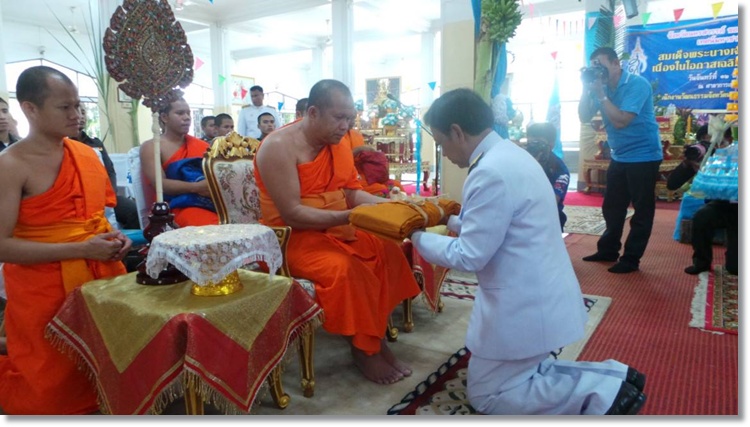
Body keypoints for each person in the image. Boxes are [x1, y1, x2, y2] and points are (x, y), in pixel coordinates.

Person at [410, 88, 647, 415]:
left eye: (440, 143)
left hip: (525, 306)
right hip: (543, 294)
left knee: (487, 396)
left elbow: (469, 255)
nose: (444, 153)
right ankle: (614, 376)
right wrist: (446, 218)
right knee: (522, 375)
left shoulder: (489, 171)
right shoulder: (509, 154)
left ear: (457, 132)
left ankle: (603, 393)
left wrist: (415, 235)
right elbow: (496, 226)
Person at [253, 79, 421, 385]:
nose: (345, 127)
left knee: (388, 249)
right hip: (291, 238)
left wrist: (394, 206)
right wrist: (352, 217)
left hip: (337, 226)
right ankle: (365, 350)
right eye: (339, 118)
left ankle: (374, 337)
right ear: (313, 112)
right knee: (346, 269)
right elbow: (292, 214)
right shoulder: (278, 147)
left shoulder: (338, 143)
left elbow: (352, 193)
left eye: (350, 119)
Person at [0, 65, 131, 414]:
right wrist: (81, 249)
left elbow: (96, 221)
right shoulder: (11, 165)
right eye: (64, 107)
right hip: (41, 288)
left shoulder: (86, 154)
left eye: (78, 105)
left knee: (110, 369)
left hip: (99, 277)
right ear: (30, 109)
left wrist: (115, 239)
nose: (77, 115)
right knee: (50, 393)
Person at [578, 46, 663, 274]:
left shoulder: (637, 84)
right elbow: (584, 116)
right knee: (612, 207)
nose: (599, 72)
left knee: (642, 211)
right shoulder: (601, 87)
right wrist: (586, 89)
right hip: (620, 155)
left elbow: (621, 121)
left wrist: (601, 95)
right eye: (594, 67)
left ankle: (631, 259)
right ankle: (608, 250)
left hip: (644, 155)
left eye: (601, 66)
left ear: (616, 63)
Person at [667, 124, 737, 275]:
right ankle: (701, 262)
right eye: (706, 143)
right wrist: (687, 164)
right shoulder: (703, 158)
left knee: (735, 268)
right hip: (721, 205)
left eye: (717, 142)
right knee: (701, 217)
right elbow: (672, 185)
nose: (712, 147)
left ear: (730, 140)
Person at [139, 97, 218, 228]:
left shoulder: (202, 145)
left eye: (188, 113)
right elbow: (160, 184)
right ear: (164, 117)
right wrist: (197, 187)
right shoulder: (152, 147)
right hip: (175, 206)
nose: (187, 118)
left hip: (210, 202)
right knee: (209, 228)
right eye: (180, 113)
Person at [72, 106, 140, 230]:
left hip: (105, 195)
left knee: (133, 210)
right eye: (77, 112)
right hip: (80, 198)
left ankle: (128, 242)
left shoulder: (96, 143)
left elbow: (109, 170)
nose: (80, 117)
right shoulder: (63, 144)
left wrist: (111, 192)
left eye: (83, 112)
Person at [525, 122, 570, 231]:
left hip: (548, 219)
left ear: (551, 144)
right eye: (531, 144)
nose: (534, 148)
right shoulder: (520, 160)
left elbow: (551, 202)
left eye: (539, 143)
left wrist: (534, 169)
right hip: (522, 215)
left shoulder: (560, 170)